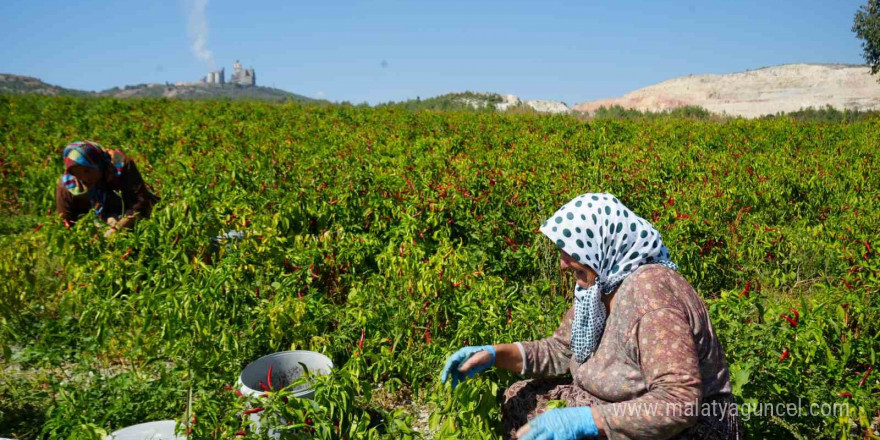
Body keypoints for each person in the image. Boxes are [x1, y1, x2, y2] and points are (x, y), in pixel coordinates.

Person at [441, 193, 741, 440]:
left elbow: (678, 404)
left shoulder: (651, 295)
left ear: (602, 243)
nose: (562, 264)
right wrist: (493, 355)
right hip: (620, 403)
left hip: (686, 428)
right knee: (523, 397)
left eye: (571, 250)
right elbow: (560, 351)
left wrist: (588, 420)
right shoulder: (601, 286)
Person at [56, 141, 159, 237]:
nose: (83, 177)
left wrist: (118, 228)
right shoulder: (69, 186)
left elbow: (141, 201)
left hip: (132, 216)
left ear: (98, 164)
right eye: (76, 173)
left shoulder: (120, 166)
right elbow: (66, 222)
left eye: (87, 170)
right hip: (94, 231)